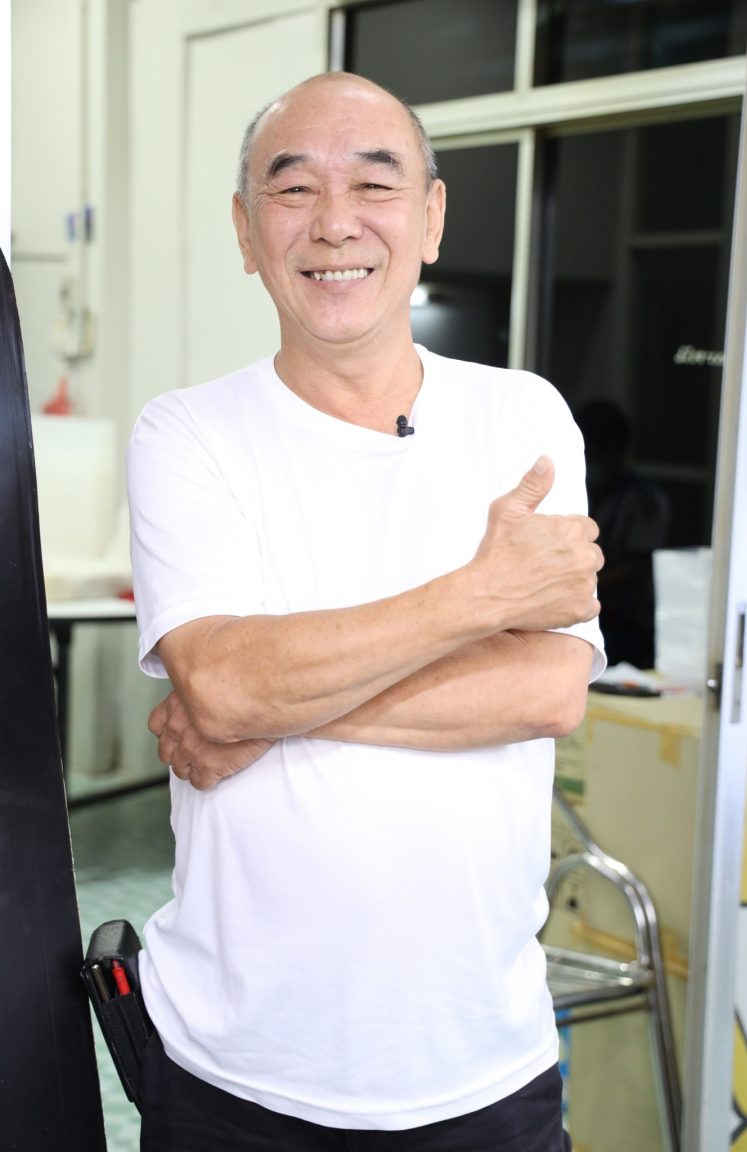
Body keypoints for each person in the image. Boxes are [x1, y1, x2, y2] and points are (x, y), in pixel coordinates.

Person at [127, 72, 605, 1152]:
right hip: (236, 1072)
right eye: (292, 189)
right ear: (245, 231)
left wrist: (271, 702)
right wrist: (480, 599)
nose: (334, 222)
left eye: (375, 184)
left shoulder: (520, 417)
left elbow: (546, 691)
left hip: (483, 1062)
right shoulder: (187, 434)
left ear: (430, 219)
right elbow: (223, 684)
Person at [574, 399, 670, 669]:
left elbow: (640, 564)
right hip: (579, 611)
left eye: (599, 450)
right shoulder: (577, 490)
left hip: (627, 623)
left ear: (618, 449)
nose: (592, 458)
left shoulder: (643, 499)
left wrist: (587, 584)